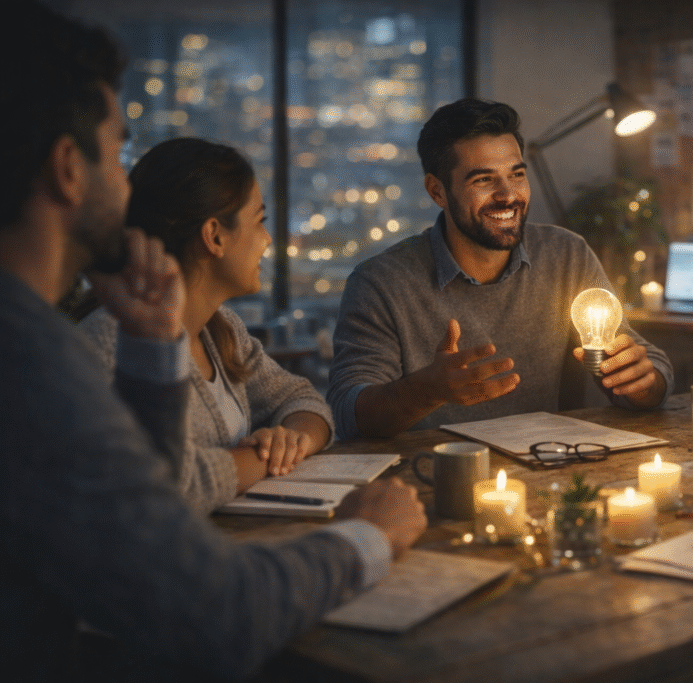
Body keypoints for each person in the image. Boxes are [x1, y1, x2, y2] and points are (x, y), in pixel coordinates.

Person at [0, 2, 425, 679]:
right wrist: (370, 532)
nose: (126, 179)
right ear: (67, 169)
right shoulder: (36, 367)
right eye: (117, 151)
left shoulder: (44, 339)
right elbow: (216, 615)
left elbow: (151, 531)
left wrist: (152, 348)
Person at [327, 98, 673, 439]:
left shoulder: (566, 255)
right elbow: (347, 413)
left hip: (548, 470)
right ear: (437, 192)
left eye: (517, 174)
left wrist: (643, 383)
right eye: (483, 180)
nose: (508, 195)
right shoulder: (380, 283)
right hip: (428, 481)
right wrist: (425, 391)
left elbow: (648, 365)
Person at [80, 138, 334, 513]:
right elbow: (165, 487)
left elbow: (303, 399)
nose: (266, 240)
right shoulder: (113, 343)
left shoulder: (222, 329)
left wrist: (292, 440)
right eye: (260, 221)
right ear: (214, 236)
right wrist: (263, 460)